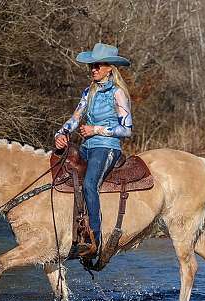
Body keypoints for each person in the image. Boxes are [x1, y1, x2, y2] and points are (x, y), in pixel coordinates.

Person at [54, 43, 133, 258]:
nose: (93, 69)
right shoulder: (88, 92)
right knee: (63, 178)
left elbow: (126, 129)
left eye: (98, 65)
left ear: (110, 68)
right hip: (87, 146)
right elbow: (75, 118)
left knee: (89, 183)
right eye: (92, 65)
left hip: (107, 148)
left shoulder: (118, 94)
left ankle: (94, 239)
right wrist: (60, 134)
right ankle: (69, 233)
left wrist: (96, 129)